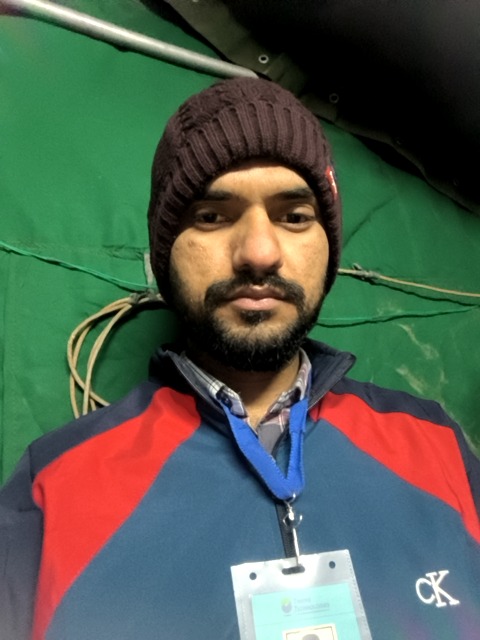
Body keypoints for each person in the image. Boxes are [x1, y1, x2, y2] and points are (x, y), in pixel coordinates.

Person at [1, 77, 479, 640]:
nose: (259, 252)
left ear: (329, 248)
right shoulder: (54, 487)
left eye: (294, 216)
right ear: (164, 254)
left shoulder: (438, 446)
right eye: (211, 216)